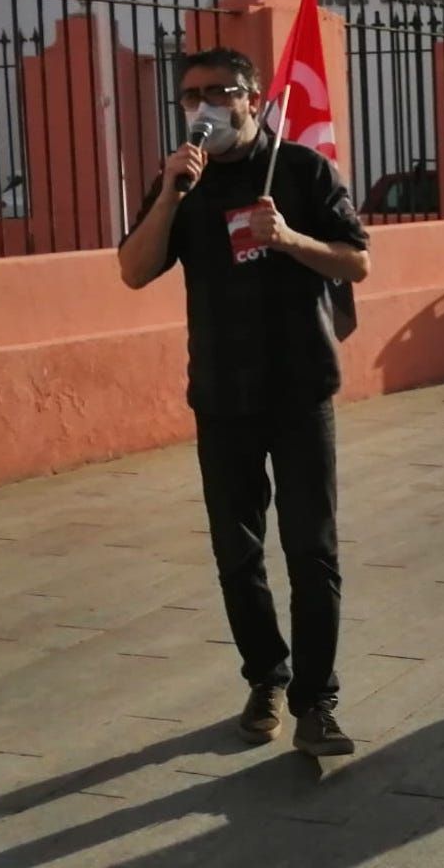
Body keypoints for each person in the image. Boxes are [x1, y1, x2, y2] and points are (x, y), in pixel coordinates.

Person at [118, 47, 372, 756]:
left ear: (252, 98)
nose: (203, 107)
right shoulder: (184, 181)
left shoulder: (302, 170)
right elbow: (133, 270)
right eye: (190, 96)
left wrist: (289, 238)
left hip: (299, 389)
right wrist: (170, 192)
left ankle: (316, 702)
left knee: (311, 550)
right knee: (238, 553)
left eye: (218, 92)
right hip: (223, 395)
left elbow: (357, 260)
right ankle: (267, 675)